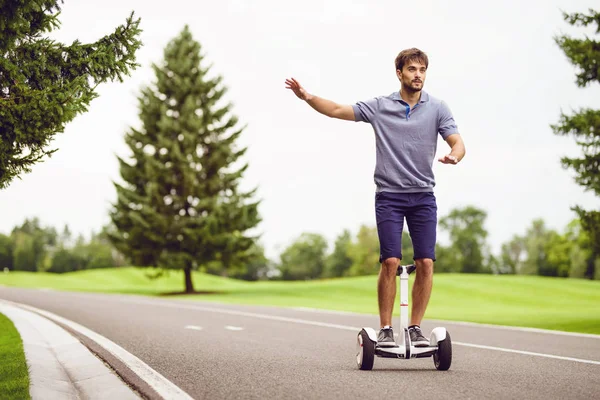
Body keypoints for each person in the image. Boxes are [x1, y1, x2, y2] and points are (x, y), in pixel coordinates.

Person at [285, 48, 465, 347]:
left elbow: (457, 142)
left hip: (423, 196)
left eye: (422, 69)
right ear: (400, 73)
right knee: (390, 261)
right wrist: (307, 97)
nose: (417, 74)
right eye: (411, 69)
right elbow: (338, 110)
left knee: (426, 262)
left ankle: (415, 328)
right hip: (390, 197)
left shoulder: (438, 108)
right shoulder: (381, 106)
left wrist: (455, 156)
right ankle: (385, 328)